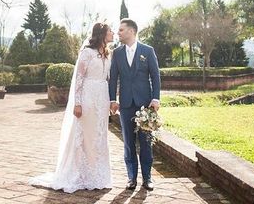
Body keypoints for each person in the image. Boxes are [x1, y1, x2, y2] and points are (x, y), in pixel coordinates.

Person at [29, 22, 114, 193]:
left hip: (102, 98)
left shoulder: (107, 53)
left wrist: (112, 100)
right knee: (86, 137)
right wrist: (78, 103)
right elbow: (79, 79)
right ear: (102, 34)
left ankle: (98, 175)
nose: (113, 33)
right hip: (88, 98)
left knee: (99, 136)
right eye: (110, 30)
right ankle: (81, 174)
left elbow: (110, 79)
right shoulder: (87, 53)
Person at [109, 18, 161, 191]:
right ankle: (131, 178)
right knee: (129, 143)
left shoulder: (148, 50)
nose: (118, 33)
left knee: (146, 142)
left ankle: (148, 178)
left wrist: (156, 98)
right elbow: (113, 78)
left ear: (131, 31)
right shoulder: (117, 53)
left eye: (121, 30)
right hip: (125, 104)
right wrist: (112, 99)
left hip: (145, 104)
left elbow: (155, 76)